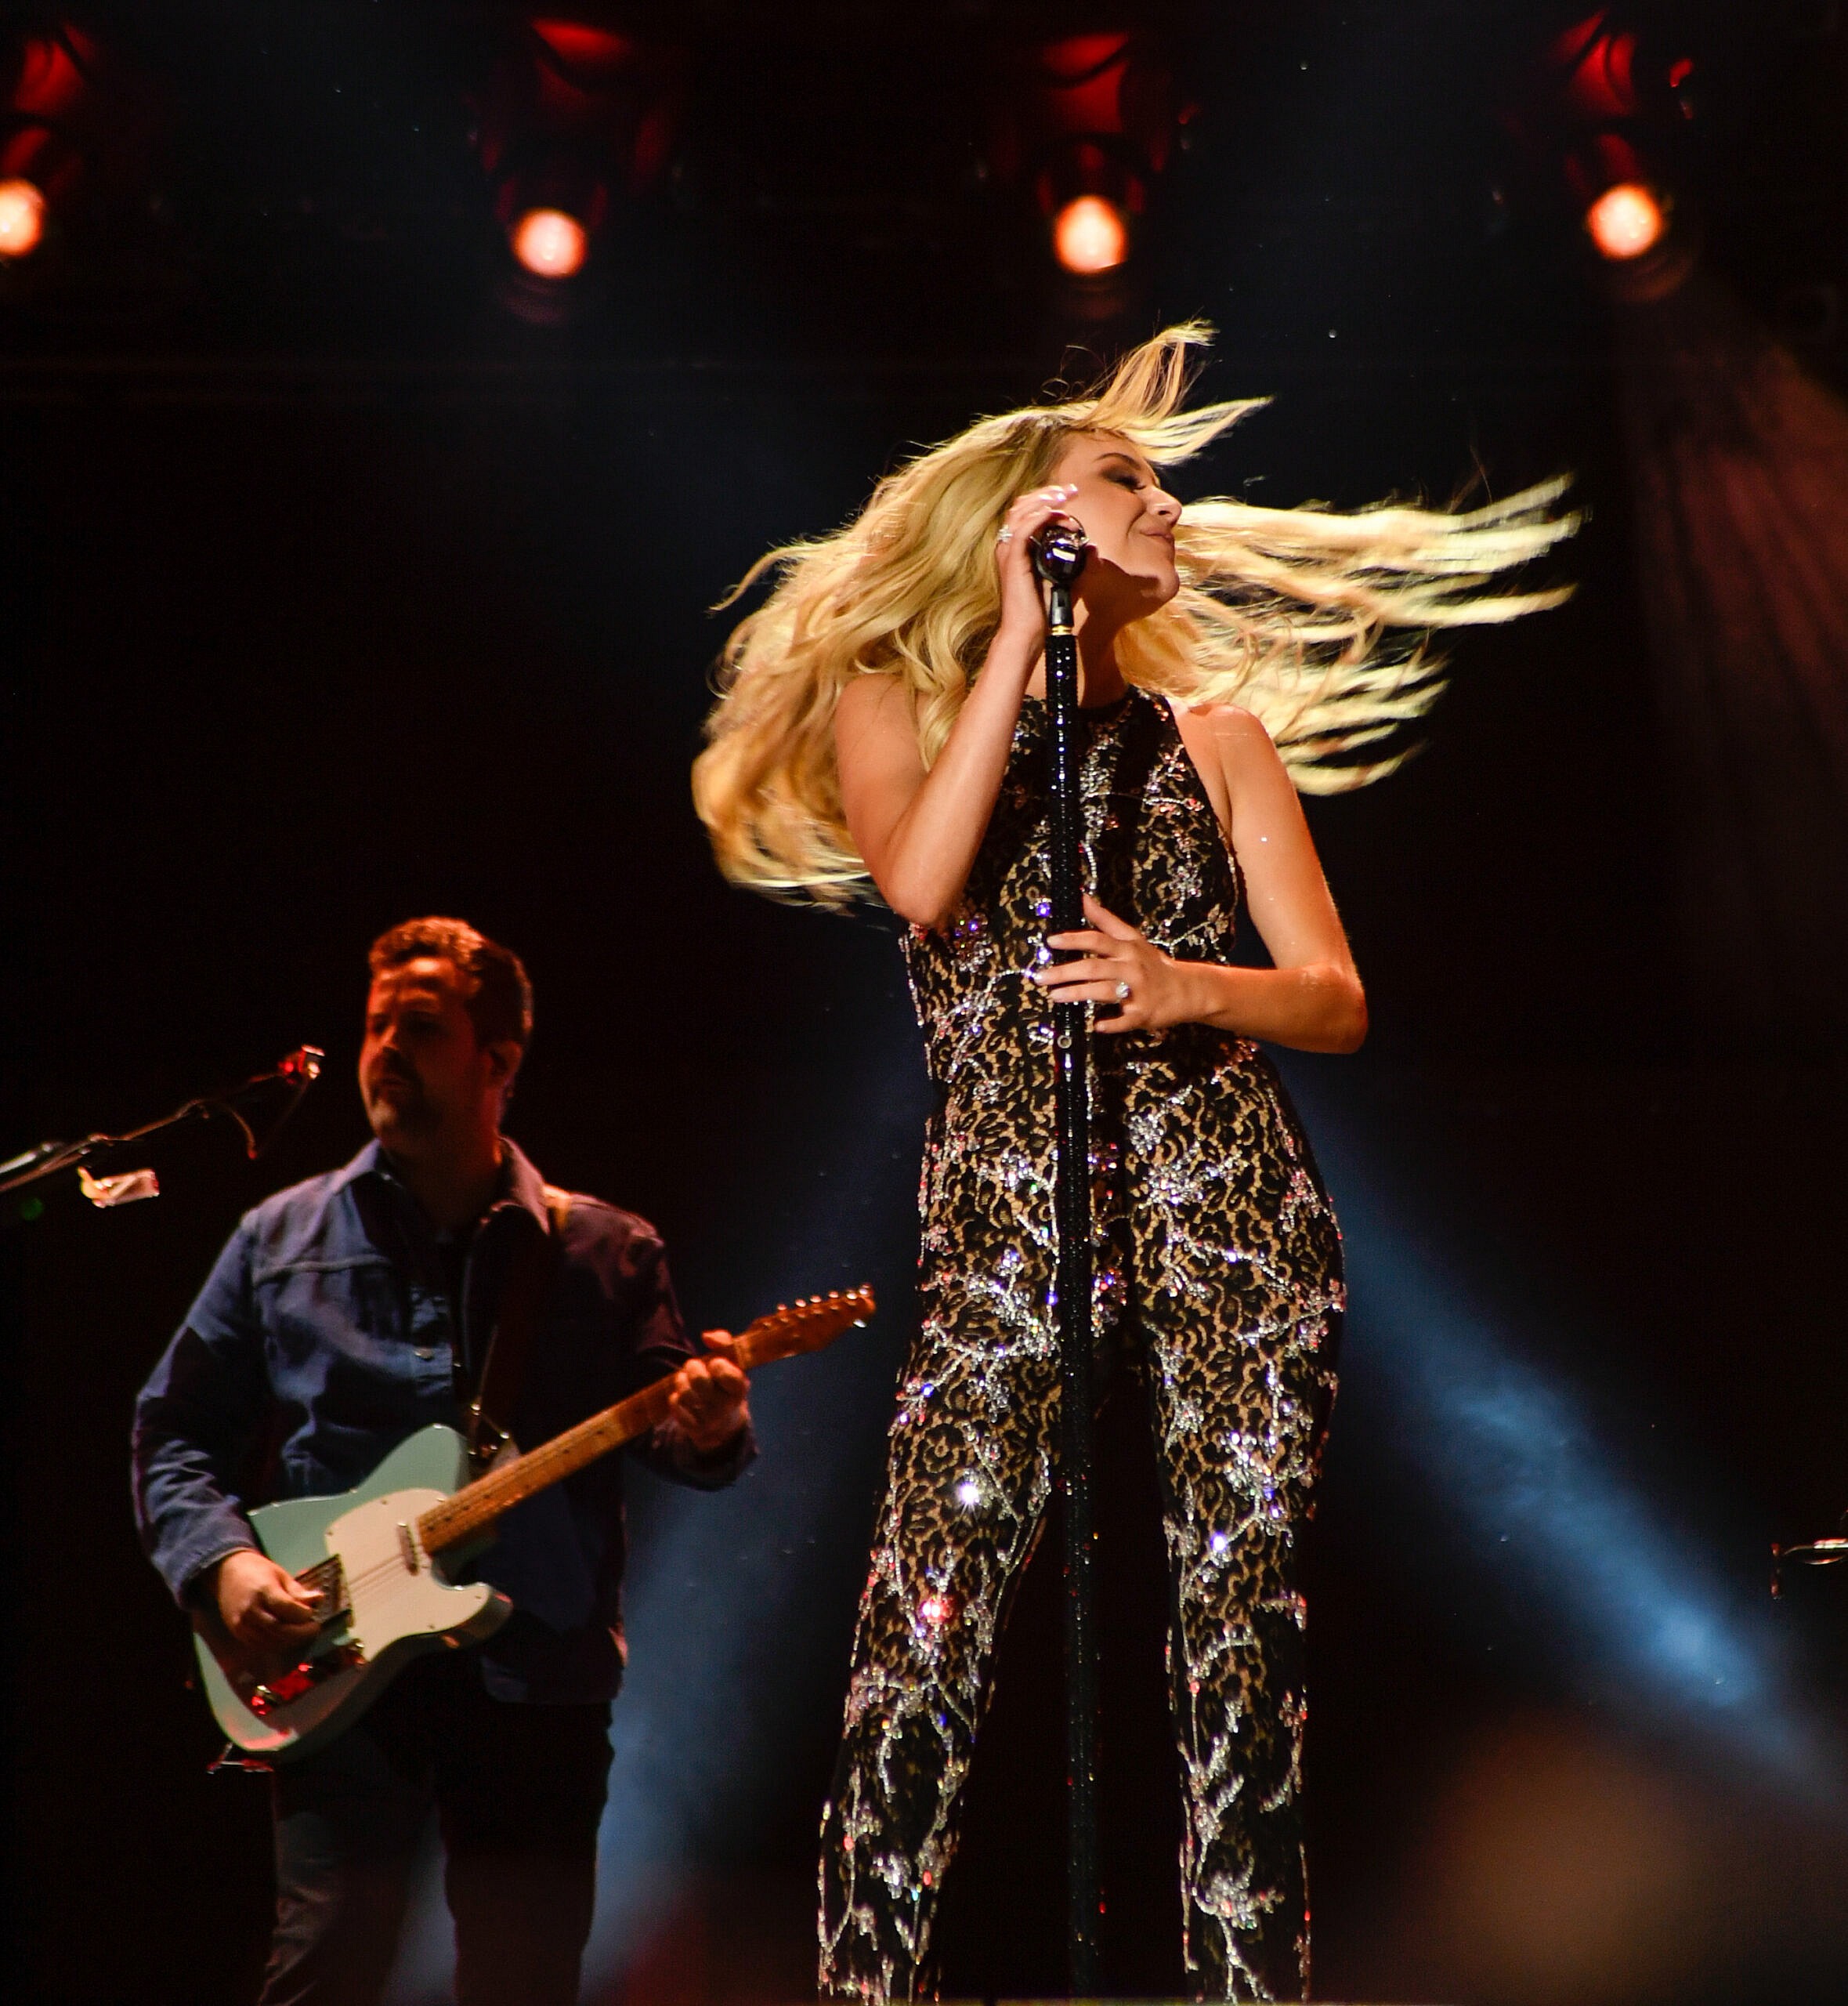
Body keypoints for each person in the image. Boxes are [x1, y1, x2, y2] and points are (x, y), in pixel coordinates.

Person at [693, 324, 1573, 2002]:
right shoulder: (900, 701)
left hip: (1221, 1201)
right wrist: (1018, 642)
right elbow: (926, 887)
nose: (1168, 505)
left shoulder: (1217, 737)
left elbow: (1333, 995)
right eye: (1128, 480)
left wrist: (1183, 984)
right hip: (1005, 1225)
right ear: (1032, 523)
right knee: (924, 1630)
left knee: (1234, 1642)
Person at [132, 917, 754, 2006]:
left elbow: (678, 1442)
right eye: (374, 1026)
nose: (380, 1051)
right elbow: (171, 1433)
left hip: (539, 1677)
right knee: (321, 1970)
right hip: (337, 1672)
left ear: (498, 1061)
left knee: (523, 1982)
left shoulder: (608, 1251)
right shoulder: (280, 1239)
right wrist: (228, 1569)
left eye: (417, 1028)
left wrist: (708, 1427)